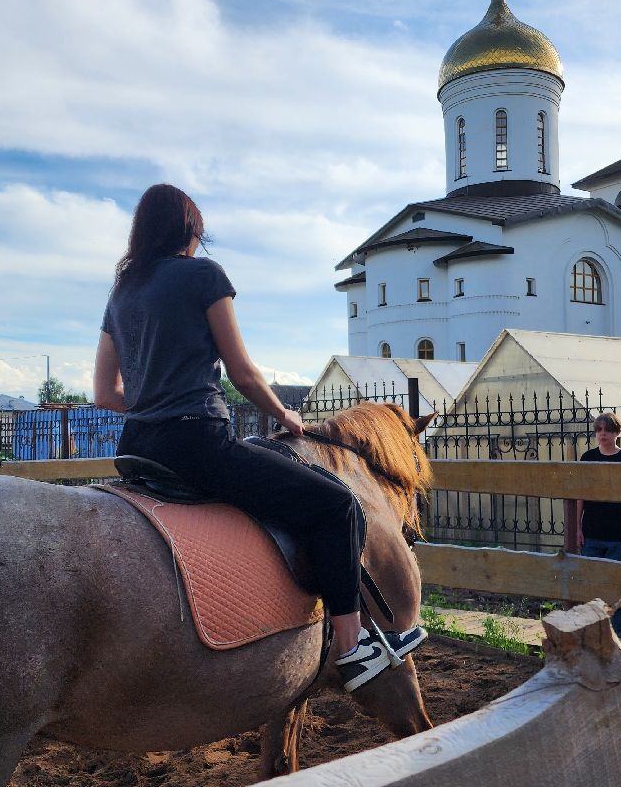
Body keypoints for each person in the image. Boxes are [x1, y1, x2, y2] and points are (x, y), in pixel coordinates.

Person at [93, 184, 419, 692]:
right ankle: (354, 649)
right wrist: (285, 416)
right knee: (338, 507)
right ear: (190, 231)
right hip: (197, 443)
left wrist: (151, 404)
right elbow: (243, 373)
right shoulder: (203, 276)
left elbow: (103, 393)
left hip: (136, 451)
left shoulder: (123, 293)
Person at [575, 413, 621, 642]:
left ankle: (620, 637)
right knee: (592, 587)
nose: (603, 434)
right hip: (592, 534)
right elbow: (579, 497)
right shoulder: (587, 458)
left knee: (620, 586)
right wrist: (577, 529)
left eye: (608, 430)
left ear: (616, 433)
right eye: (599, 429)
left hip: (619, 536)